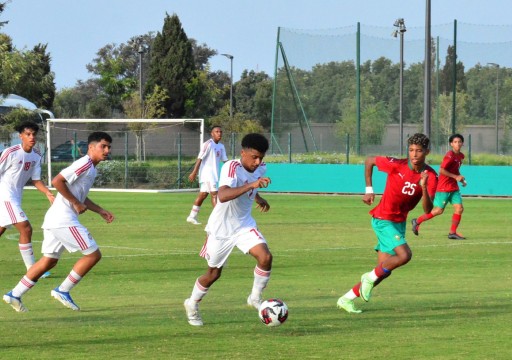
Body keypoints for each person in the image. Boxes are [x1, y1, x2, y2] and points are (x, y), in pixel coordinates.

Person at [3, 132, 115, 313]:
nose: (107, 150)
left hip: (54, 219)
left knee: (49, 261)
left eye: (109, 147)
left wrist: (100, 210)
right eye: (103, 146)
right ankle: (63, 290)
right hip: (63, 219)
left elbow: (81, 196)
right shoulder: (84, 164)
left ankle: (14, 294)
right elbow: (57, 181)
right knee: (93, 255)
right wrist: (76, 203)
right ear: (91, 147)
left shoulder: (92, 168)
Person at [337, 133, 438, 314]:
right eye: (411, 150)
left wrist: (423, 186)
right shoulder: (397, 164)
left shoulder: (430, 175)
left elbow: (427, 209)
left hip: (399, 223)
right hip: (383, 219)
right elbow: (369, 161)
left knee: (384, 270)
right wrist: (369, 190)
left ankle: (346, 299)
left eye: (419, 151)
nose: (414, 154)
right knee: (404, 255)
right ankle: (367, 278)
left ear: (427, 152)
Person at [184, 133, 272, 326]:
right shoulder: (232, 167)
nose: (258, 162)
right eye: (254, 157)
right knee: (213, 274)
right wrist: (252, 185)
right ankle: (192, 304)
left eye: (261, 158)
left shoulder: (261, 168)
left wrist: (258, 197)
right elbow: (223, 195)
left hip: (244, 225)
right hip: (221, 230)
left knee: (265, 257)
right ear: (243, 153)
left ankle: (255, 298)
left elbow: (250, 188)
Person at [0, 121, 55, 276]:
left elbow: (36, 180)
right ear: (21, 136)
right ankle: (32, 268)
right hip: (5, 196)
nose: (32, 137)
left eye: (34, 134)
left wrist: (47, 193)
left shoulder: (36, 155)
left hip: (16, 196)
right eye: (28, 134)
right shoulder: (10, 152)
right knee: (26, 228)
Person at [411, 134, 466, 240]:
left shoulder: (461, 156)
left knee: (459, 209)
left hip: (453, 187)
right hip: (444, 187)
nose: (457, 144)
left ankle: (452, 233)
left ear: (462, 143)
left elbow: (455, 170)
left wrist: (461, 179)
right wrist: (456, 176)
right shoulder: (449, 156)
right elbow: (441, 170)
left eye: (459, 142)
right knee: (438, 211)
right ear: (451, 144)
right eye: (455, 142)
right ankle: (417, 221)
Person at [186, 125, 228, 225]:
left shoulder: (221, 146)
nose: (219, 134)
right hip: (208, 175)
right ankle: (219, 218)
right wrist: (194, 172)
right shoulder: (208, 144)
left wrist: (234, 168)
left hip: (214, 175)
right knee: (215, 194)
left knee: (203, 195)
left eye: (220, 132)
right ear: (212, 134)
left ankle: (192, 216)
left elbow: (225, 161)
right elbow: (199, 158)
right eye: (217, 132)